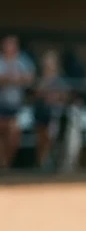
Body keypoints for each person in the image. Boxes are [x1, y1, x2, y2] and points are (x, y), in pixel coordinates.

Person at [0, 35, 35, 171]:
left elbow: (30, 78)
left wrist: (10, 79)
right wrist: (15, 79)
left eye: (12, 45)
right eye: (7, 45)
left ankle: (5, 164)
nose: (10, 48)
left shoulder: (23, 61)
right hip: (1, 105)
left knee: (14, 134)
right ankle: (2, 164)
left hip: (17, 106)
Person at [32, 50, 70, 169]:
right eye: (47, 62)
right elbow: (36, 94)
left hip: (58, 115)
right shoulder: (39, 78)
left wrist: (57, 97)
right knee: (43, 136)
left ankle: (55, 163)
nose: (49, 65)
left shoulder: (61, 79)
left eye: (51, 62)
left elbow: (66, 96)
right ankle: (41, 163)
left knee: (55, 135)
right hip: (42, 113)